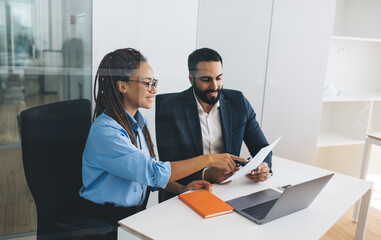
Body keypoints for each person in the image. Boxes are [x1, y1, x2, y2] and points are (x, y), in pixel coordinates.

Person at [79, 48, 244, 239]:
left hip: (134, 215)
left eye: (154, 83)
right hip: (104, 223)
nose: (154, 90)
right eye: (147, 83)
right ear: (122, 86)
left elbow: (148, 175)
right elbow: (153, 172)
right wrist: (209, 159)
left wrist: (181, 188)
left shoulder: (137, 123)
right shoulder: (106, 133)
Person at [156, 48, 272, 202]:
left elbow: (261, 147)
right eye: (206, 79)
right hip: (188, 192)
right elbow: (168, 166)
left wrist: (265, 167)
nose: (214, 86)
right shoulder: (170, 108)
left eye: (219, 78)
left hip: (229, 190)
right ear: (191, 78)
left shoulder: (238, 102)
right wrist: (206, 173)